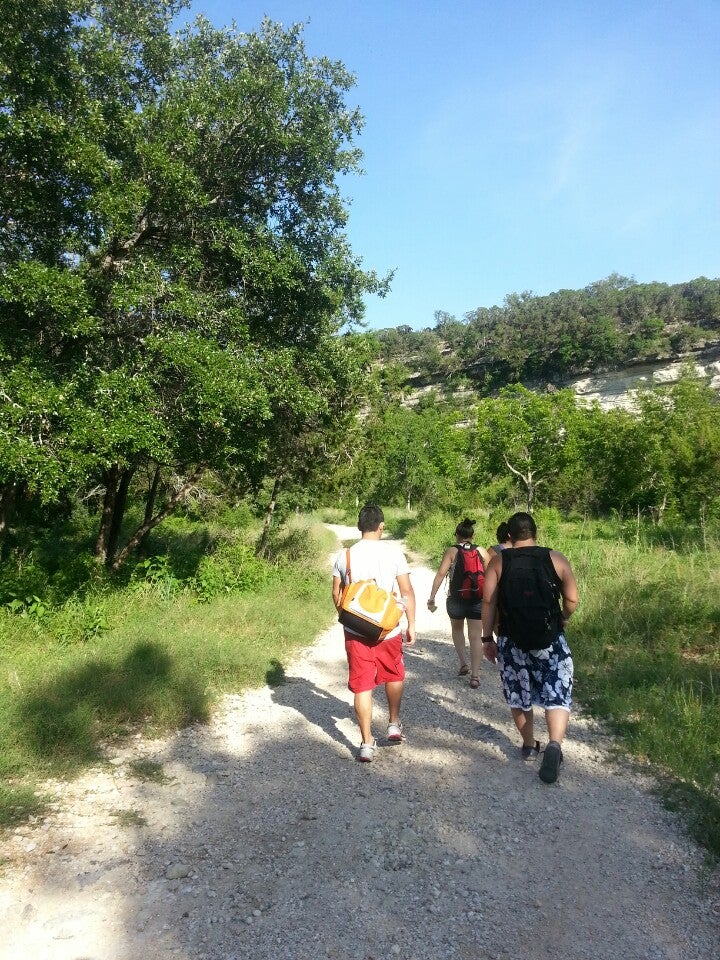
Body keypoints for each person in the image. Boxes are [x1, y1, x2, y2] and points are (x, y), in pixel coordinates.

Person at [480, 511, 579, 784]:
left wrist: (487, 639)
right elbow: (572, 599)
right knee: (557, 692)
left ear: (509, 536)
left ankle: (528, 745)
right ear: (536, 533)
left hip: (512, 641)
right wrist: (563, 617)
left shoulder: (499, 562)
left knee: (518, 693)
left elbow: (488, 602)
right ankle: (554, 745)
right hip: (551, 639)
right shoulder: (556, 558)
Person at [332, 504, 416, 762]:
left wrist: (351, 619)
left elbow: (337, 594)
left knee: (362, 685)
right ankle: (393, 723)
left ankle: (367, 743)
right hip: (387, 629)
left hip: (356, 631)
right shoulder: (394, 553)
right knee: (394, 673)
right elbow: (407, 591)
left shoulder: (345, 556)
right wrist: (411, 624)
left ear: (359, 527)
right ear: (381, 527)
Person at [427, 518, 490, 689]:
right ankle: (475, 676)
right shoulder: (482, 551)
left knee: (457, 630)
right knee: (475, 636)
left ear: (457, 535)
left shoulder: (451, 551)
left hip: (456, 599)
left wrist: (432, 597)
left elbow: (441, 574)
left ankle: (463, 663)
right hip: (477, 599)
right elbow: (490, 577)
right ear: (472, 536)